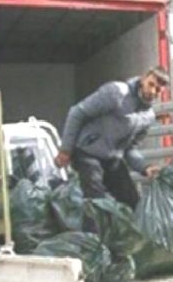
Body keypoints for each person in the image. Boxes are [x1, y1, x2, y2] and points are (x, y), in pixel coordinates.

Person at [55, 68, 167, 209]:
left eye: (157, 90)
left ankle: (126, 230)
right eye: (151, 84)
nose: (152, 92)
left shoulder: (148, 117)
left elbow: (130, 149)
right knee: (96, 201)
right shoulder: (117, 92)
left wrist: (145, 168)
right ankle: (92, 230)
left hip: (112, 159)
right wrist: (65, 150)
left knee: (132, 201)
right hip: (86, 152)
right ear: (143, 79)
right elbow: (77, 113)